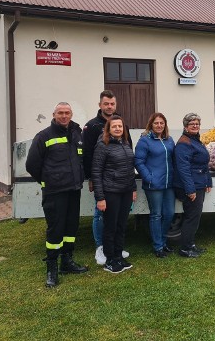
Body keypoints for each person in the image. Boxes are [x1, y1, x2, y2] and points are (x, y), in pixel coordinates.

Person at [25, 102, 89, 288]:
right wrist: (47, 181)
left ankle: (67, 262)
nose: (64, 116)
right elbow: (32, 165)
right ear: (54, 114)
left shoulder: (76, 133)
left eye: (67, 113)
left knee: (71, 228)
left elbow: (81, 158)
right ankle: (51, 269)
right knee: (55, 229)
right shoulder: (44, 136)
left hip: (73, 190)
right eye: (60, 113)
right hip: (55, 192)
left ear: (71, 114)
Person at [83, 90, 132, 265]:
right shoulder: (91, 126)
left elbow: (128, 154)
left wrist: (131, 187)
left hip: (123, 186)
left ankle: (115, 252)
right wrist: (91, 179)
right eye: (106, 104)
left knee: (118, 222)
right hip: (106, 185)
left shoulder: (122, 126)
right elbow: (89, 156)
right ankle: (101, 248)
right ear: (100, 105)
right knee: (101, 216)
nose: (109, 106)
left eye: (112, 104)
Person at [90, 115, 137, 273]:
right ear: (108, 129)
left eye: (120, 126)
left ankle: (118, 256)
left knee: (121, 226)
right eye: (114, 126)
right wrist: (100, 198)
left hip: (125, 192)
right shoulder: (103, 145)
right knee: (110, 227)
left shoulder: (125, 143)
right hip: (111, 192)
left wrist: (133, 188)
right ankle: (110, 259)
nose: (118, 128)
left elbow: (130, 169)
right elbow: (96, 172)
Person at [134, 113, 176, 258]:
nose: (159, 125)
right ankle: (158, 246)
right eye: (156, 123)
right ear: (151, 124)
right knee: (156, 215)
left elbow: (173, 159)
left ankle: (164, 242)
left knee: (169, 213)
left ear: (165, 125)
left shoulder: (169, 140)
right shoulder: (145, 141)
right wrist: (148, 177)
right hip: (154, 185)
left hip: (168, 183)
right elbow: (138, 161)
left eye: (162, 123)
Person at [173, 113, 212, 258]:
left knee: (195, 217)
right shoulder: (184, 143)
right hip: (191, 186)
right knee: (191, 217)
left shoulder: (195, 140)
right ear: (185, 126)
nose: (195, 126)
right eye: (192, 124)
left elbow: (203, 163)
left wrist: (208, 180)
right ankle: (185, 248)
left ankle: (191, 244)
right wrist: (190, 190)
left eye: (197, 124)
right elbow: (183, 168)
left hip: (199, 183)